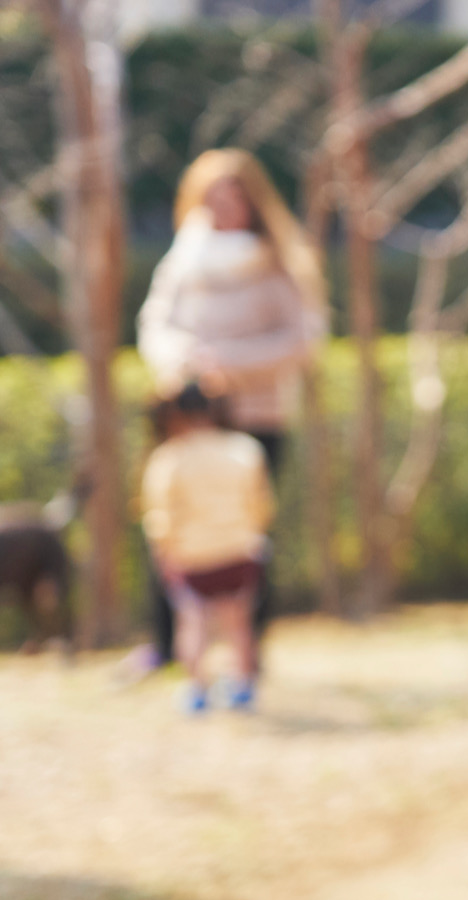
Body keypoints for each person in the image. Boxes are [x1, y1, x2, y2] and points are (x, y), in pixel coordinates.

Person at [129, 148, 326, 677]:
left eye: (233, 197)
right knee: (169, 525)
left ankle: (247, 649)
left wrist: (230, 364)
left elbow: (303, 340)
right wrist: (183, 363)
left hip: (256, 415)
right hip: (188, 417)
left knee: (250, 536)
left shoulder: (276, 260)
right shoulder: (184, 258)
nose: (223, 208)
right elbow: (155, 323)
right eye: (213, 197)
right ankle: (166, 645)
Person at [141, 386, 274, 713]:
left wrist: (164, 551)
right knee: (239, 623)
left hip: (192, 557)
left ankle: (198, 690)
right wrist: (252, 535)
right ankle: (242, 687)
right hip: (240, 551)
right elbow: (262, 505)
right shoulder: (245, 449)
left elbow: (160, 516)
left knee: (193, 622)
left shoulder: (168, 458)